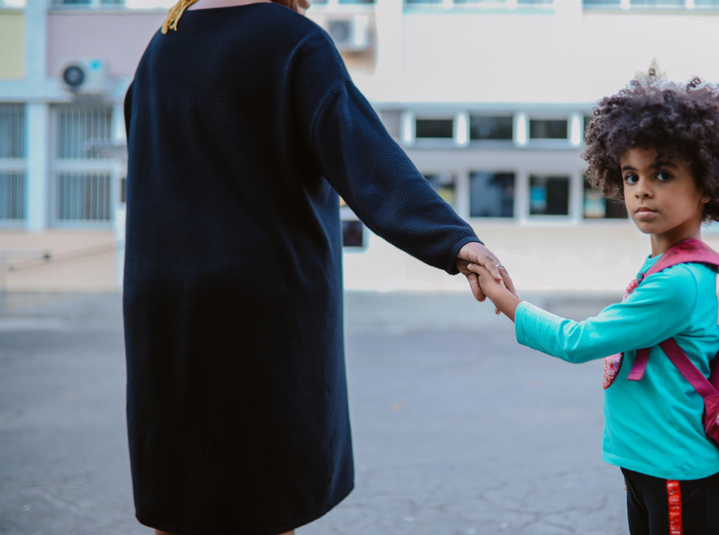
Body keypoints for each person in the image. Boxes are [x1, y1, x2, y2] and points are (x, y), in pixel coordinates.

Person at [122, 1, 514, 534]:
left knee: (180, 493)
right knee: (267, 499)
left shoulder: (163, 42)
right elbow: (366, 160)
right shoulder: (291, 41)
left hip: (163, 309)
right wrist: (454, 242)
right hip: (260, 312)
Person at [467, 76, 719, 535]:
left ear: (708, 185)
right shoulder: (666, 266)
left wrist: (502, 297)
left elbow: (578, 341)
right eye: (632, 175)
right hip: (653, 470)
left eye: (662, 174)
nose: (642, 190)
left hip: (678, 478)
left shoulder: (677, 282)